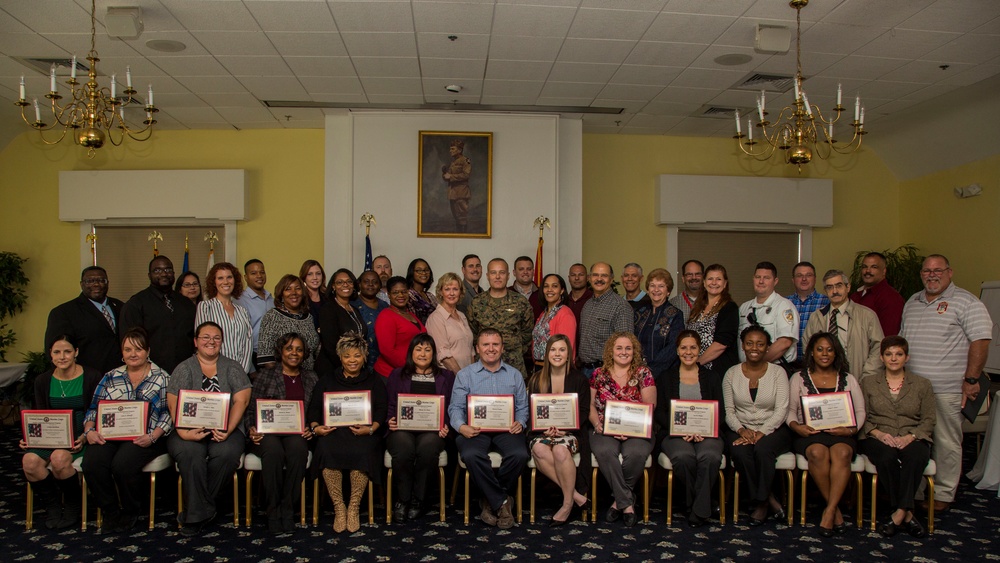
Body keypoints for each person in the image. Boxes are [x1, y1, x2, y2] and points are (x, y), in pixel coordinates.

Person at [900, 254, 991, 512]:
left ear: (949, 272)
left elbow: (981, 341)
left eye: (937, 270)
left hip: (948, 389)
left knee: (947, 442)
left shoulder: (967, 302)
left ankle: (943, 493)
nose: (932, 275)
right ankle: (917, 491)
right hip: (913, 389)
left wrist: (971, 379)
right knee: (916, 443)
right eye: (927, 271)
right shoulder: (912, 302)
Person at [81, 327, 171, 533]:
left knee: (123, 464)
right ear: (121, 353)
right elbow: (94, 409)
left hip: (146, 437)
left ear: (148, 351)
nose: (133, 354)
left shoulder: (162, 377)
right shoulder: (110, 377)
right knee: (92, 463)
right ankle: (111, 511)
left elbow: (169, 414)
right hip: (110, 436)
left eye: (138, 349)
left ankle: (131, 510)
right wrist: (89, 431)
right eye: (128, 349)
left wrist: (153, 436)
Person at [167, 322, 252, 536]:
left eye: (216, 337)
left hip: (227, 429)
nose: (211, 341)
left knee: (227, 453)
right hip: (186, 430)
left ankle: (195, 512)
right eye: (205, 337)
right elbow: (173, 403)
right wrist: (185, 432)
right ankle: (205, 510)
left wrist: (228, 429)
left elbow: (241, 401)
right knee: (190, 453)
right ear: (196, 341)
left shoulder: (232, 367)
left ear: (222, 342)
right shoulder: (184, 368)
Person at [786, 332, 865, 536]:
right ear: (812, 352)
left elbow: (860, 411)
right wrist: (797, 427)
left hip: (841, 433)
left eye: (830, 350)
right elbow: (790, 412)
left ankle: (829, 510)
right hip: (809, 434)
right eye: (820, 349)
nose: (825, 354)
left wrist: (850, 430)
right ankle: (835, 510)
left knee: (842, 454)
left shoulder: (848, 379)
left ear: (836, 353)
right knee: (818, 454)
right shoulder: (798, 378)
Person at [449, 329, 530, 529]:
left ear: (502, 348)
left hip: (506, 430)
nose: (491, 349)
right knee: (471, 454)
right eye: (486, 345)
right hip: (474, 430)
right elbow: (455, 408)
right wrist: (462, 426)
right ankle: (503, 501)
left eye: (495, 344)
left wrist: (520, 421)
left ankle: (489, 500)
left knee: (519, 454)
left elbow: (522, 408)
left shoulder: (514, 375)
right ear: (477, 348)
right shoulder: (464, 375)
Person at [308, 333, 387, 533]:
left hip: (364, 433)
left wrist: (371, 429)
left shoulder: (374, 379)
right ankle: (339, 507)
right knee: (326, 448)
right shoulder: (327, 379)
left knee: (363, 450)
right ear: (340, 358)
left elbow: (381, 410)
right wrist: (317, 427)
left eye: (357, 355)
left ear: (364, 357)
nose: (352, 360)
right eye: (347, 356)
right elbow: (314, 408)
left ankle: (353, 507)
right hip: (334, 432)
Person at [858, 336, 936, 538]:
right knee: (886, 457)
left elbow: (929, 419)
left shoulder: (922, 384)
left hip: (912, 436)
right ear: (882, 358)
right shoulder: (867, 383)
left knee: (916, 457)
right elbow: (860, 415)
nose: (893, 359)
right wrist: (878, 433)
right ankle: (908, 514)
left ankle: (899, 513)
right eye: (888, 354)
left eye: (898, 354)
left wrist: (911, 436)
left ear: (906, 357)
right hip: (877, 436)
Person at [20, 336, 100, 529]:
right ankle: (53, 505)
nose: (62, 357)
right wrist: (29, 437)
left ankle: (72, 505)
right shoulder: (43, 380)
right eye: (57, 352)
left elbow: (99, 412)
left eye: (67, 351)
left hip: (81, 437)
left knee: (59, 458)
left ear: (76, 352)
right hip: (50, 437)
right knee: (29, 462)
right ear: (50, 354)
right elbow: (38, 414)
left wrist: (84, 436)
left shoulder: (92, 376)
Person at [245, 332, 317, 535]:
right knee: (273, 452)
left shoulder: (311, 377)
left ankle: (288, 508)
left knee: (298, 451)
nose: (294, 353)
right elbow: (251, 409)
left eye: (299, 349)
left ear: (304, 354)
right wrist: (252, 428)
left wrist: (311, 427)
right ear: (281, 352)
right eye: (289, 348)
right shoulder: (265, 375)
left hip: (297, 432)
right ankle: (272, 510)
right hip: (268, 433)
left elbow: (316, 411)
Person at [722, 325, 791, 525]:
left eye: (760, 344)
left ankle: (760, 504)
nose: (755, 348)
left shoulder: (778, 373)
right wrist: (742, 430)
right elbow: (729, 410)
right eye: (750, 343)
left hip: (774, 429)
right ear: (742, 346)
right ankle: (768, 498)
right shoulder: (731, 373)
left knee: (762, 450)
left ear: (767, 347)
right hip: (740, 427)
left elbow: (782, 410)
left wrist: (762, 431)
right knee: (740, 453)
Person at [654, 331, 724, 527]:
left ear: (699, 350)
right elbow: (659, 412)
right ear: (677, 351)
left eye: (693, 347)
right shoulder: (666, 377)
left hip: (707, 434)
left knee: (710, 457)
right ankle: (704, 504)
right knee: (683, 457)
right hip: (675, 434)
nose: (688, 352)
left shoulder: (712, 377)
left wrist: (704, 430)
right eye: (684, 347)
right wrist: (679, 429)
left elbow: (721, 412)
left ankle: (694, 508)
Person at [385, 334, 455, 522]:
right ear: (411, 352)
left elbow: (450, 406)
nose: (422, 354)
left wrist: (446, 425)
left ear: (433, 353)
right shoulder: (397, 375)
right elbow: (391, 405)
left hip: (432, 431)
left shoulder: (446, 377)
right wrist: (390, 420)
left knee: (428, 447)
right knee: (403, 447)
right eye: (418, 349)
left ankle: (418, 499)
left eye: (427, 349)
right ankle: (403, 499)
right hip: (402, 429)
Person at [589, 332, 656, 527]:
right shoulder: (599, 374)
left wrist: (631, 429)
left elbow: (650, 405)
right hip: (603, 427)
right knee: (604, 451)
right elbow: (590, 405)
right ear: (611, 350)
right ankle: (627, 502)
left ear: (634, 351)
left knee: (635, 454)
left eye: (628, 348)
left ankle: (618, 502)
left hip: (638, 430)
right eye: (619, 348)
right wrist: (596, 424)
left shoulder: (644, 373)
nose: (624, 352)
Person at [528, 335, 591, 526]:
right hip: (542, 432)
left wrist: (565, 429)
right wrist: (544, 429)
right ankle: (576, 496)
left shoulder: (579, 379)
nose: (557, 354)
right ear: (547, 354)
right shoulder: (536, 379)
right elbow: (532, 412)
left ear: (568, 354)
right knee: (539, 449)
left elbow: (584, 411)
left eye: (562, 350)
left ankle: (566, 504)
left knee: (560, 450)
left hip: (571, 432)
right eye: (553, 350)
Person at [120, 256, 197, 374]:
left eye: (168, 270)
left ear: (174, 274)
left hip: (185, 371)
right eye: (157, 270)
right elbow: (129, 342)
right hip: (150, 374)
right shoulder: (136, 304)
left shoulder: (186, 303)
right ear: (149, 275)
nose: (163, 274)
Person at [803, 269, 884, 380]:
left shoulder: (867, 315)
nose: (835, 291)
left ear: (848, 287)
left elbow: (879, 347)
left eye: (839, 285)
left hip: (858, 378)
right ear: (825, 291)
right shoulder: (816, 317)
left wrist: (867, 376)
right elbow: (807, 348)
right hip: (823, 380)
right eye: (829, 287)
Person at [44, 265, 123, 375]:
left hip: (121, 375)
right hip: (86, 378)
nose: (96, 284)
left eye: (101, 280)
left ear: (107, 283)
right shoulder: (64, 312)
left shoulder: (121, 307)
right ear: (81, 284)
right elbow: (55, 352)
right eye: (90, 281)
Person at [467, 258, 534, 377]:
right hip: (484, 368)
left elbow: (528, 333)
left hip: (514, 366)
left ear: (508, 276)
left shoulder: (520, 302)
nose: (497, 276)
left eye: (502, 273)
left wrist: (514, 350)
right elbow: (473, 333)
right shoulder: (477, 302)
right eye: (493, 273)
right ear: (487, 276)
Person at [737, 261, 799, 371]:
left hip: (775, 368)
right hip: (746, 371)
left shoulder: (784, 306)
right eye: (758, 277)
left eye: (766, 278)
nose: (761, 281)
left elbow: (785, 342)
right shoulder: (744, 308)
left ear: (775, 281)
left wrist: (756, 364)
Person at [196, 262, 254, 374]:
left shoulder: (242, 311)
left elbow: (248, 344)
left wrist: (240, 373)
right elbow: (203, 342)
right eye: (220, 278)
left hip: (240, 374)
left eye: (229, 277)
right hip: (213, 373)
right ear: (214, 282)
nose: (226, 282)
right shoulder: (205, 307)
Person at [579, 262, 634, 378]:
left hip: (607, 372)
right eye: (595, 275)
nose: (599, 279)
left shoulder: (620, 306)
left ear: (611, 279)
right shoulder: (587, 304)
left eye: (604, 275)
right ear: (589, 278)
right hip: (584, 370)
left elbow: (626, 346)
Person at [686, 264, 740, 378]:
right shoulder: (698, 307)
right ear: (704, 283)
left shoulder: (729, 308)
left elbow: (721, 344)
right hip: (696, 371)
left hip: (716, 371)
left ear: (725, 284)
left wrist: (697, 363)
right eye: (710, 279)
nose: (714, 282)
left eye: (718, 279)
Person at [258, 274, 321, 371]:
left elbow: (316, 351)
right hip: (281, 380)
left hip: (309, 378)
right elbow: (266, 356)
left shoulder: (309, 318)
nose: (294, 293)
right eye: (288, 289)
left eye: (297, 288)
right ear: (281, 294)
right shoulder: (272, 316)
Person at [632, 268, 684, 378]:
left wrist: (651, 370)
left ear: (668, 291)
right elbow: (631, 341)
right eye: (652, 285)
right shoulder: (639, 312)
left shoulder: (676, 315)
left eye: (661, 286)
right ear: (647, 289)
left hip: (665, 374)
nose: (656, 290)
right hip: (637, 372)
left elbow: (673, 347)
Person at [316, 268, 368, 376]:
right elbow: (330, 345)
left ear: (353, 285)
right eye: (340, 282)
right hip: (334, 369)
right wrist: (345, 368)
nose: (345, 285)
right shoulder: (328, 309)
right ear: (333, 287)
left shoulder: (355, 310)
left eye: (349, 281)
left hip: (354, 367)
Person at [375, 276, 428, 377]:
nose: (400, 295)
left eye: (403, 291)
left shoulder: (410, 314)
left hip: (409, 372)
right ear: (389, 295)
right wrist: (410, 368)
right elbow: (387, 351)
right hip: (390, 374)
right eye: (395, 292)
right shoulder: (386, 316)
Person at [425, 272, 474, 373]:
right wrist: (462, 378)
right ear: (440, 292)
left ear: (460, 292)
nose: (451, 293)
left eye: (455, 289)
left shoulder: (462, 316)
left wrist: (472, 376)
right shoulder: (436, 318)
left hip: (467, 376)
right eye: (447, 289)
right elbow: (443, 355)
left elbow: (470, 350)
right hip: (449, 377)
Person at [850, 252, 904, 337]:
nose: (868, 271)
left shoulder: (891, 298)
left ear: (884, 271)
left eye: (874, 267)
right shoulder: (855, 296)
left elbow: (888, 336)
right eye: (864, 267)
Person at [787, 262, 830, 362]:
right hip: (788, 363)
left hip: (816, 362)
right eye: (799, 275)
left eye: (808, 275)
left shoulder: (827, 303)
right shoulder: (784, 303)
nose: (804, 279)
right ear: (793, 280)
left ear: (815, 279)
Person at [235, 259, 274, 369]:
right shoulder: (240, 300)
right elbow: (240, 336)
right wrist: (251, 368)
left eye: (262, 272)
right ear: (246, 277)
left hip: (274, 356)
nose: (259, 276)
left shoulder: (272, 299)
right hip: (253, 356)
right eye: (253, 273)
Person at [531, 273, 577, 367]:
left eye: (554, 286)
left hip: (555, 369)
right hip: (539, 367)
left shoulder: (565, 313)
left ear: (562, 290)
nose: (549, 290)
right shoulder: (543, 314)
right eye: (546, 286)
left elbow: (566, 349)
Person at [353, 270, 389, 372]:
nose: (371, 285)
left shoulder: (385, 306)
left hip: (382, 359)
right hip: (359, 360)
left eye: (374, 282)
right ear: (359, 284)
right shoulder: (352, 305)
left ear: (379, 285)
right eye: (366, 281)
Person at [442, 138, 472, 232]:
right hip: (453, 193)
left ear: (459, 150)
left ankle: (463, 237)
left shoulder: (465, 161)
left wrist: (450, 176)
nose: (450, 151)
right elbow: (448, 177)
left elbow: (466, 175)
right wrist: (444, 175)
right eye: (450, 149)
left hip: (461, 192)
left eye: (453, 149)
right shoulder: (453, 162)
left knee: (462, 217)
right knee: (456, 217)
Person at [407, 258, 438, 324]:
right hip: (418, 332)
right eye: (419, 270)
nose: (423, 273)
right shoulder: (408, 295)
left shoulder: (431, 296)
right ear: (412, 272)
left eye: (426, 270)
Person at [298, 259, 327, 330]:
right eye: (310, 274)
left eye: (318, 274)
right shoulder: (299, 299)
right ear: (304, 277)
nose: (315, 278)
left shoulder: (328, 298)